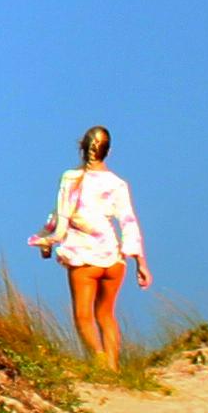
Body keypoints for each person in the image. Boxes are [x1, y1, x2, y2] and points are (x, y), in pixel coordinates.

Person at [30, 125, 149, 370]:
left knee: (83, 317)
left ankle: (99, 360)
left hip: (83, 257)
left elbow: (59, 217)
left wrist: (47, 241)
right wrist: (141, 263)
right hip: (113, 259)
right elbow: (128, 221)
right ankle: (114, 368)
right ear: (109, 151)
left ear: (81, 147)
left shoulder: (71, 178)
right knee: (106, 316)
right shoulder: (117, 183)